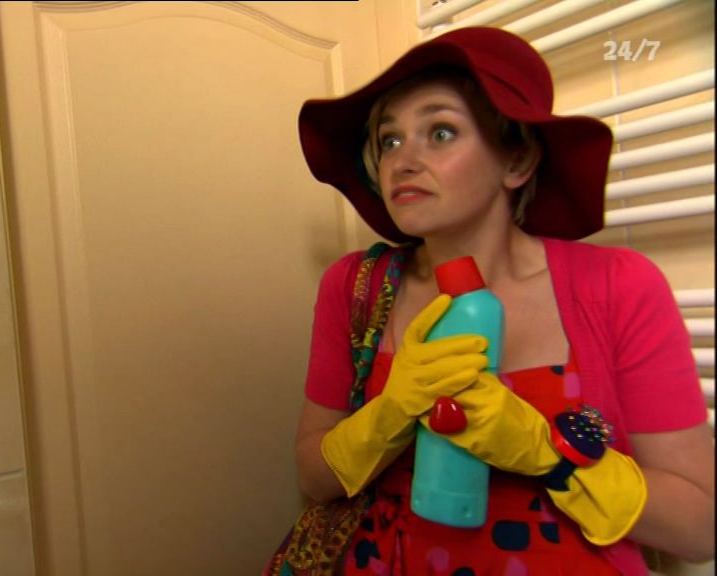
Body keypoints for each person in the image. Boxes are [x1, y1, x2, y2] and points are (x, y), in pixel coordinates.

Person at [290, 27, 714, 575]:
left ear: (517, 160)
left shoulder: (618, 286)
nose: (403, 161)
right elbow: (314, 477)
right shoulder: (355, 287)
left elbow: (698, 527)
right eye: (390, 140)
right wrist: (388, 415)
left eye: (440, 132)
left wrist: (547, 454)